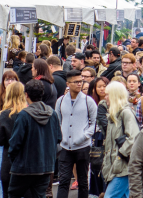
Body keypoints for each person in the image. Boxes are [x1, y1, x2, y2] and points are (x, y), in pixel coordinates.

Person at [7, 79, 62, 198]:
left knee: (13, 194)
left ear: (26, 94)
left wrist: (14, 160)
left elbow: (15, 143)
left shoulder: (24, 115)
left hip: (24, 167)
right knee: (39, 195)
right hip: (45, 165)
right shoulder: (52, 113)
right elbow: (58, 138)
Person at [54, 70, 98, 198]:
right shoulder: (61, 101)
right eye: (76, 82)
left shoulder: (88, 101)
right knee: (64, 181)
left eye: (81, 81)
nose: (80, 84)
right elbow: (57, 120)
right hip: (66, 147)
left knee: (83, 181)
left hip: (83, 146)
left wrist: (84, 136)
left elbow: (94, 123)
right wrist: (61, 136)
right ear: (68, 84)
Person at [101, 81, 140, 198]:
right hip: (117, 166)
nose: (105, 97)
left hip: (123, 167)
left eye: (107, 94)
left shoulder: (125, 113)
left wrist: (120, 155)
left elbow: (133, 138)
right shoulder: (114, 115)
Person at [0, 82, 27, 198]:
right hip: (29, 162)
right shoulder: (29, 113)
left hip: (10, 161)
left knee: (9, 193)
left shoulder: (5, 115)